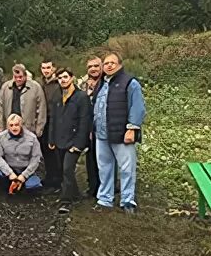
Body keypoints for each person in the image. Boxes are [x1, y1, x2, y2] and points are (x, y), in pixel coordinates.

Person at [92, 51, 146, 214]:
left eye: (112, 63)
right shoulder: (101, 83)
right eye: (105, 63)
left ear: (120, 65)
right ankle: (105, 198)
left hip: (122, 134)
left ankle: (127, 200)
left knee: (126, 168)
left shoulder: (130, 83)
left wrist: (132, 128)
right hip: (102, 134)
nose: (108, 66)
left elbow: (138, 107)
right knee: (105, 168)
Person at [48, 68, 91, 214]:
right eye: (60, 78)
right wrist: (51, 138)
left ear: (72, 78)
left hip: (73, 142)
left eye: (65, 77)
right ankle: (76, 195)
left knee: (67, 169)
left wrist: (78, 144)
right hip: (59, 140)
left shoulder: (81, 97)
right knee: (63, 170)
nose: (63, 80)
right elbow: (53, 119)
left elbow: (85, 122)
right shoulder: (57, 96)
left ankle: (65, 201)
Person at [0, 114, 43, 193]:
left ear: (21, 125)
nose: (14, 128)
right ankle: (7, 187)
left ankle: (24, 188)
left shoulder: (32, 138)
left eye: (16, 125)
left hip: (27, 170)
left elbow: (36, 158)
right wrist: (9, 173)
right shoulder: (1, 137)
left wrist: (24, 176)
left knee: (33, 186)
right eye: (11, 125)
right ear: (8, 126)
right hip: (9, 169)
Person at [0, 64, 47, 137]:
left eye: (20, 77)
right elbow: (0, 108)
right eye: (16, 77)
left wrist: (39, 130)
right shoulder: (6, 88)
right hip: (9, 129)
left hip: (29, 130)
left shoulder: (35, 88)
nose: (18, 79)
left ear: (25, 76)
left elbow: (41, 110)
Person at [77, 55, 103, 197]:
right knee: (90, 157)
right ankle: (92, 186)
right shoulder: (83, 84)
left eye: (96, 66)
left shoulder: (107, 82)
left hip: (103, 126)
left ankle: (106, 186)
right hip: (88, 125)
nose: (93, 69)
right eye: (90, 67)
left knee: (105, 158)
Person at [39, 59, 62, 193]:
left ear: (53, 68)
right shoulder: (40, 83)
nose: (46, 70)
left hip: (56, 121)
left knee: (55, 152)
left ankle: (58, 181)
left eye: (48, 67)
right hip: (44, 121)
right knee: (46, 151)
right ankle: (49, 177)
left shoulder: (58, 83)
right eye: (43, 68)